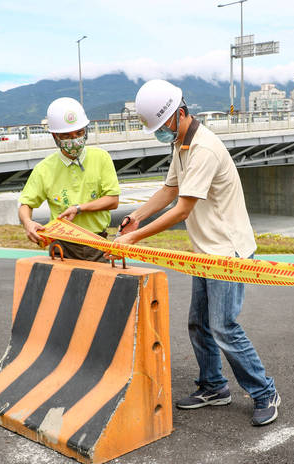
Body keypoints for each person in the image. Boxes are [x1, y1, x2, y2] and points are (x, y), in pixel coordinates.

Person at [112, 79, 280, 426]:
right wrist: (136, 216)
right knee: (199, 323)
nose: (161, 133)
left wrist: (135, 238)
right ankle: (214, 386)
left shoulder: (203, 148)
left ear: (181, 113)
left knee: (223, 326)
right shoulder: (181, 143)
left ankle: (265, 391)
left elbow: (182, 210)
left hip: (226, 251)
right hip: (205, 250)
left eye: (162, 126)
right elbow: (170, 189)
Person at [19, 97, 120, 261]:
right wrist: (28, 223)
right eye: (66, 135)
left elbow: (113, 200)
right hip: (62, 246)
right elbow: (26, 204)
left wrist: (79, 208)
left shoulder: (101, 158)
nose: (74, 139)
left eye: (79, 133)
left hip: (97, 244)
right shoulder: (44, 168)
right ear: (55, 136)